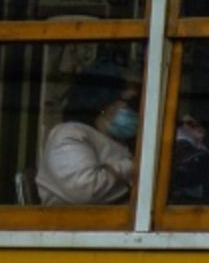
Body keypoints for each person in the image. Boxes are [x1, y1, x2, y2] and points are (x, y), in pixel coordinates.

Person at [35, 68, 140, 206]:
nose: (134, 111)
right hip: (73, 223)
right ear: (106, 104)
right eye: (128, 102)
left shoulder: (117, 140)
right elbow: (85, 190)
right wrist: (133, 166)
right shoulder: (69, 135)